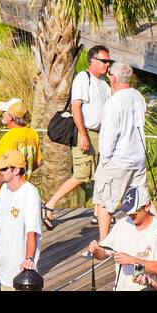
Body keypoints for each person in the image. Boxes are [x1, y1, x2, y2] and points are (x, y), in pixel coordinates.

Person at [43, 45, 111, 229]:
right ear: (93, 61)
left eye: (108, 61)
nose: (107, 65)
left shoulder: (105, 84)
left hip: (100, 134)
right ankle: (49, 205)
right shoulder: (83, 78)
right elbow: (76, 107)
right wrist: (83, 135)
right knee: (81, 174)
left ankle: (98, 212)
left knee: (100, 174)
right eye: (104, 61)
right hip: (86, 132)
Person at [95, 61, 147, 241]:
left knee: (104, 202)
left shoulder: (113, 102)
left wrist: (105, 159)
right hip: (138, 156)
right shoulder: (138, 96)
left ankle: (104, 242)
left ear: (114, 78)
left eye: (110, 74)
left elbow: (109, 136)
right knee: (142, 198)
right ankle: (155, 232)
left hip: (118, 159)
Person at [85, 186, 157, 291]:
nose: (131, 215)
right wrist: (96, 250)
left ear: (147, 206)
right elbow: (104, 253)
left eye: (134, 212)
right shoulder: (121, 225)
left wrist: (133, 261)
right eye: (128, 212)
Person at [0, 150, 42, 291]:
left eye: (4, 169)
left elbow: (32, 232)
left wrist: (29, 259)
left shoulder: (30, 193)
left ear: (17, 170)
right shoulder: (4, 190)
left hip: (17, 274)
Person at [0, 98, 41, 198]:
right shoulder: (33, 133)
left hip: (5, 190)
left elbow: (3, 169)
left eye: (4, 112)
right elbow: (38, 162)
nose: (1, 113)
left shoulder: (9, 137)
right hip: (22, 187)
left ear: (10, 117)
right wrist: (23, 174)